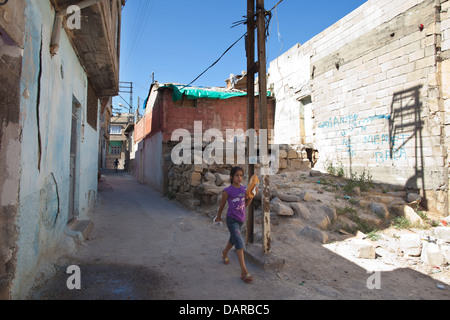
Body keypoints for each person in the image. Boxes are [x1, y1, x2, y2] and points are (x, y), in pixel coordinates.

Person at [214, 166, 256, 283]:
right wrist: (218, 216)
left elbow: (245, 204)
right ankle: (244, 272)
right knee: (239, 241)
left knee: (233, 239)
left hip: (241, 220)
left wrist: (251, 196)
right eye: (237, 175)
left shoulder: (244, 189)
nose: (239, 178)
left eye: (241, 175)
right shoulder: (228, 191)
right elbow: (222, 205)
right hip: (231, 220)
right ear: (232, 177)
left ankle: (224, 253)